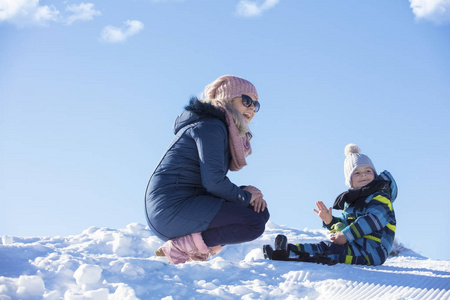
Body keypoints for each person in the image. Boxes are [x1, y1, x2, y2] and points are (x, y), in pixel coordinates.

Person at [145, 75, 270, 264]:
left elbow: (211, 181)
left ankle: (189, 246)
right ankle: (182, 248)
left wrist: (247, 195)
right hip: (170, 209)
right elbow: (213, 181)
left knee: (258, 211)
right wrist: (244, 196)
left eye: (256, 105)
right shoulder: (211, 126)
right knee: (253, 223)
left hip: (184, 203)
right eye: (247, 101)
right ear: (227, 99)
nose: (252, 108)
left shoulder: (216, 125)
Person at [264, 144, 397, 266]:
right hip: (357, 246)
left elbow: (372, 219)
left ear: (374, 173)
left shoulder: (381, 196)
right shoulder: (353, 202)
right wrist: (330, 221)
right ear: (350, 181)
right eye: (357, 173)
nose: (363, 175)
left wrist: (346, 235)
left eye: (368, 171)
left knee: (330, 250)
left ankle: (292, 253)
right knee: (325, 245)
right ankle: (285, 250)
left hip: (372, 252)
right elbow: (343, 227)